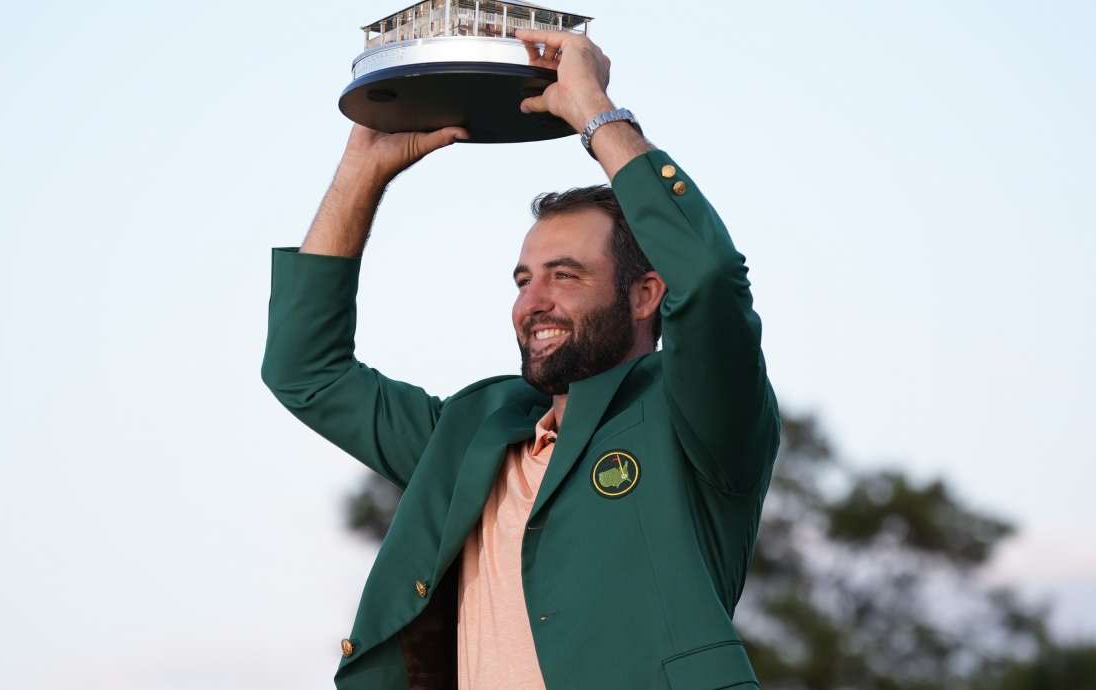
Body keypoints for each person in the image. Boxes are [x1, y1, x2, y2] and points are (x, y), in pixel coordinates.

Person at [262, 28, 781, 690]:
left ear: (647, 292)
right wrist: (364, 169)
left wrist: (597, 114)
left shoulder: (698, 418)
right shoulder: (474, 433)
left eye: (564, 275)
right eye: (522, 279)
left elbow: (707, 278)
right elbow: (306, 373)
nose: (532, 302)